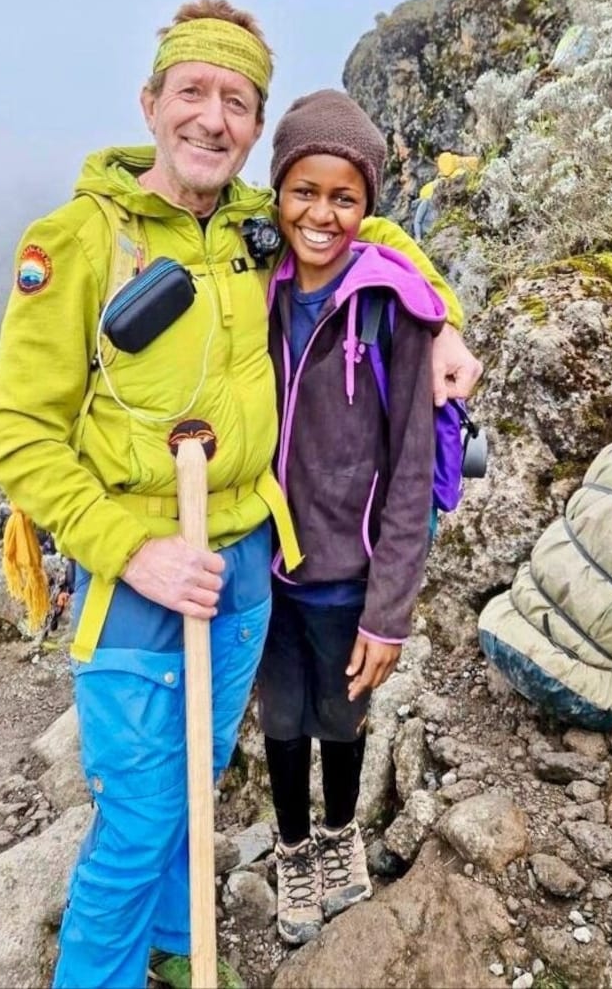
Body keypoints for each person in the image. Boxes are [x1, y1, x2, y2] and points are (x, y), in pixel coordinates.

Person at [0, 0, 479, 989]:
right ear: (150, 101)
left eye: (236, 100)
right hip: (137, 573)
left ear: (255, 128)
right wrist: (130, 547)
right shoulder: (79, 241)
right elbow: (18, 434)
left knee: (202, 773)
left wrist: (447, 320)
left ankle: (176, 944)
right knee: (138, 811)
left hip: (249, 555)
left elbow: (367, 227)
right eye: (193, 92)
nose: (212, 117)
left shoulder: (256, 224)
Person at [257, 90, 444, 945]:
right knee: (282, 718)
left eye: (344, 196)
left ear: (368, 206)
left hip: (347, 576)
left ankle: (340, 835)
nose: (321, 214)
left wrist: (390, 610)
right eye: (304, 190)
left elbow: (411, 466)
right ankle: (292, 846)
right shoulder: (251, 290)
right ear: (278, 191)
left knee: (344, 716)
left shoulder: (391, 307)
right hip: (260, 571)